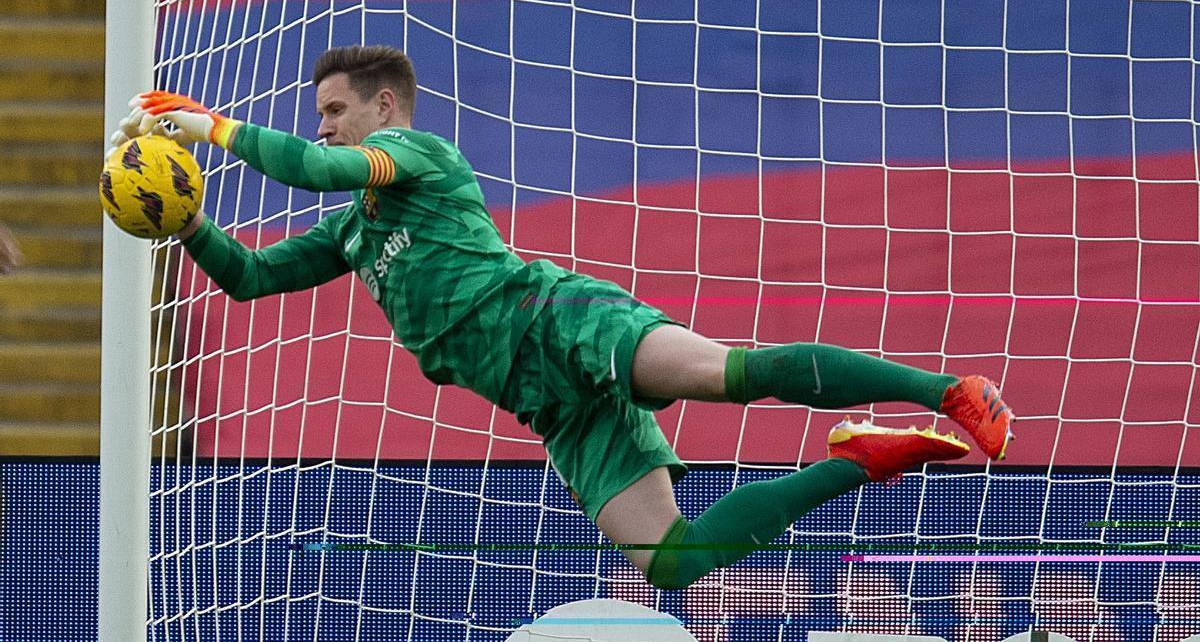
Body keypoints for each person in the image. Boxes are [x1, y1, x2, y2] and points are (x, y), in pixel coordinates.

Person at [114, 45, 1014, 591]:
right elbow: (250, 277)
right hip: (545, 401)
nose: (328, 127)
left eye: (336, 112)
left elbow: (319, 169)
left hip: (559, 321)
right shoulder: (355, 233)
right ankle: (860, 458)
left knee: (728, 376)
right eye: (321, 116)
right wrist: (188, 220)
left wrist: (208, 126)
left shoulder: (410, 156)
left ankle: (951, 388)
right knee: (671, 563)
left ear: (383, 107)